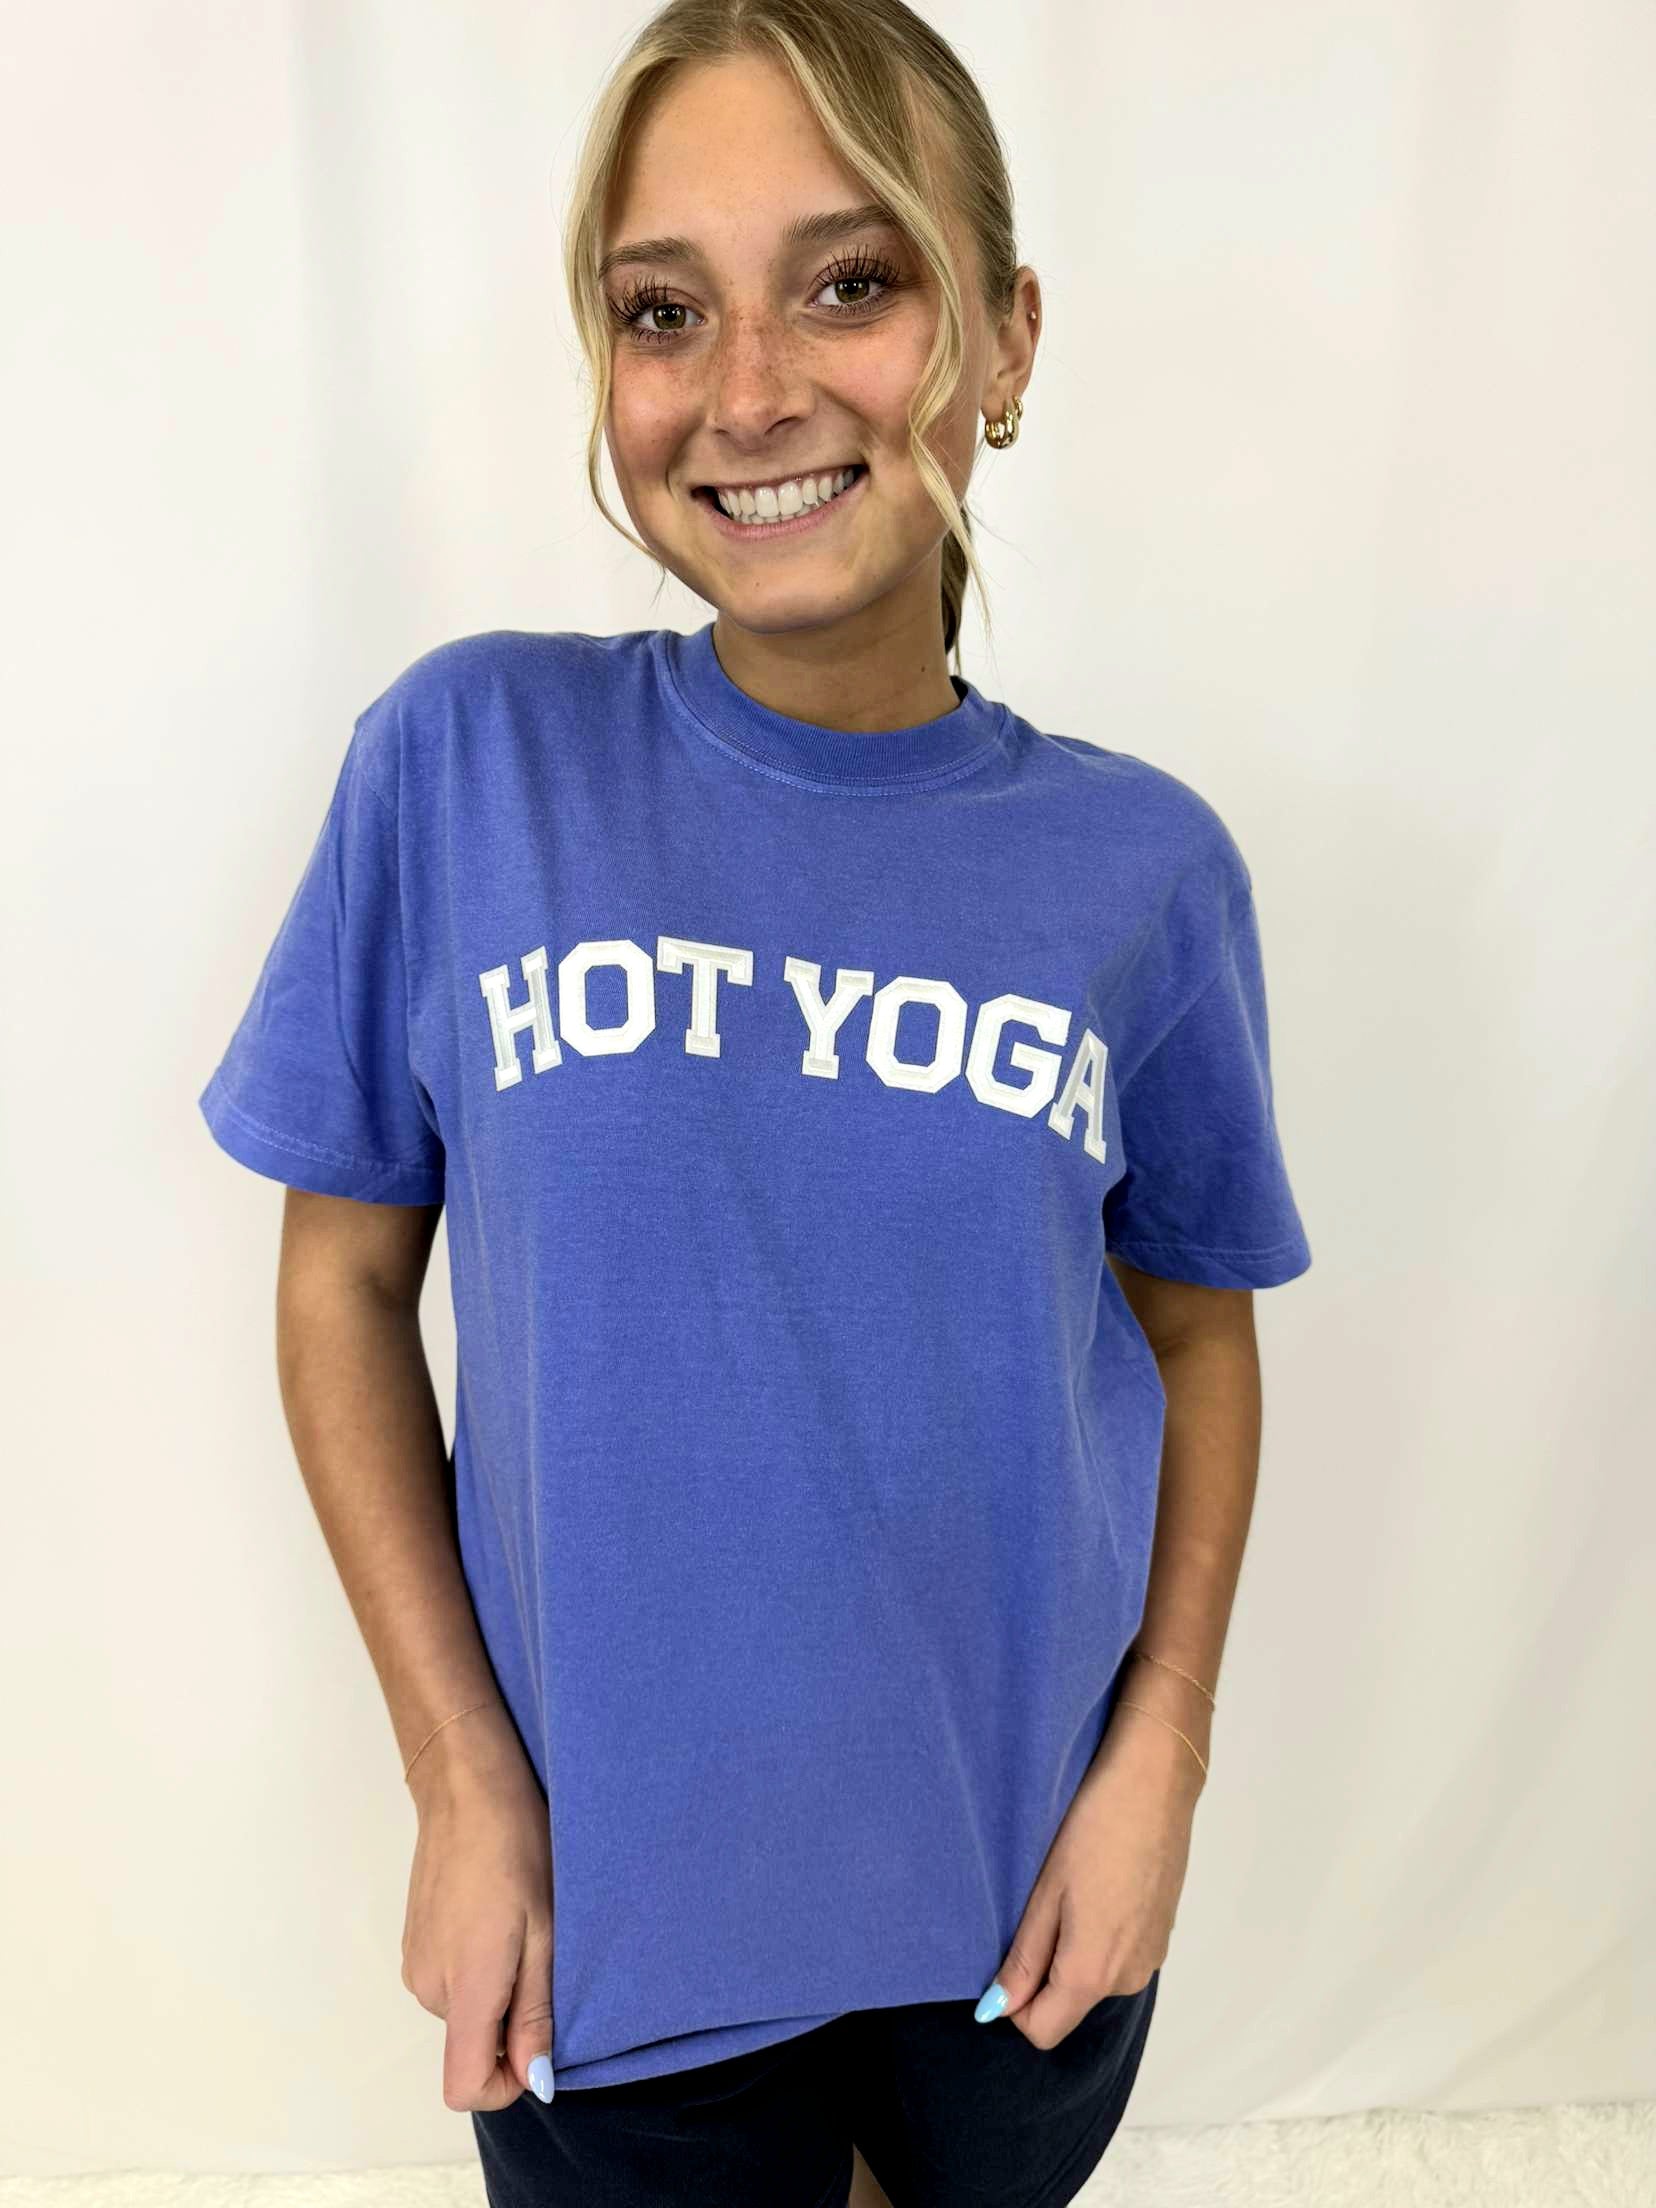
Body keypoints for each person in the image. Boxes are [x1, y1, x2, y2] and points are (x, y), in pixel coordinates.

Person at [197, 0, 1313, 2200]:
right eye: (662, 310)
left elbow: (1196, 1330)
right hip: (611, 1933)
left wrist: (1162, 1757)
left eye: (850, 283)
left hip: (1021, 1916)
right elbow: (340, 1285)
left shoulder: (1145, 870)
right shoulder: (468, 765)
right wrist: (458, 1781)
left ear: (1005, 336)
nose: (749, 390)